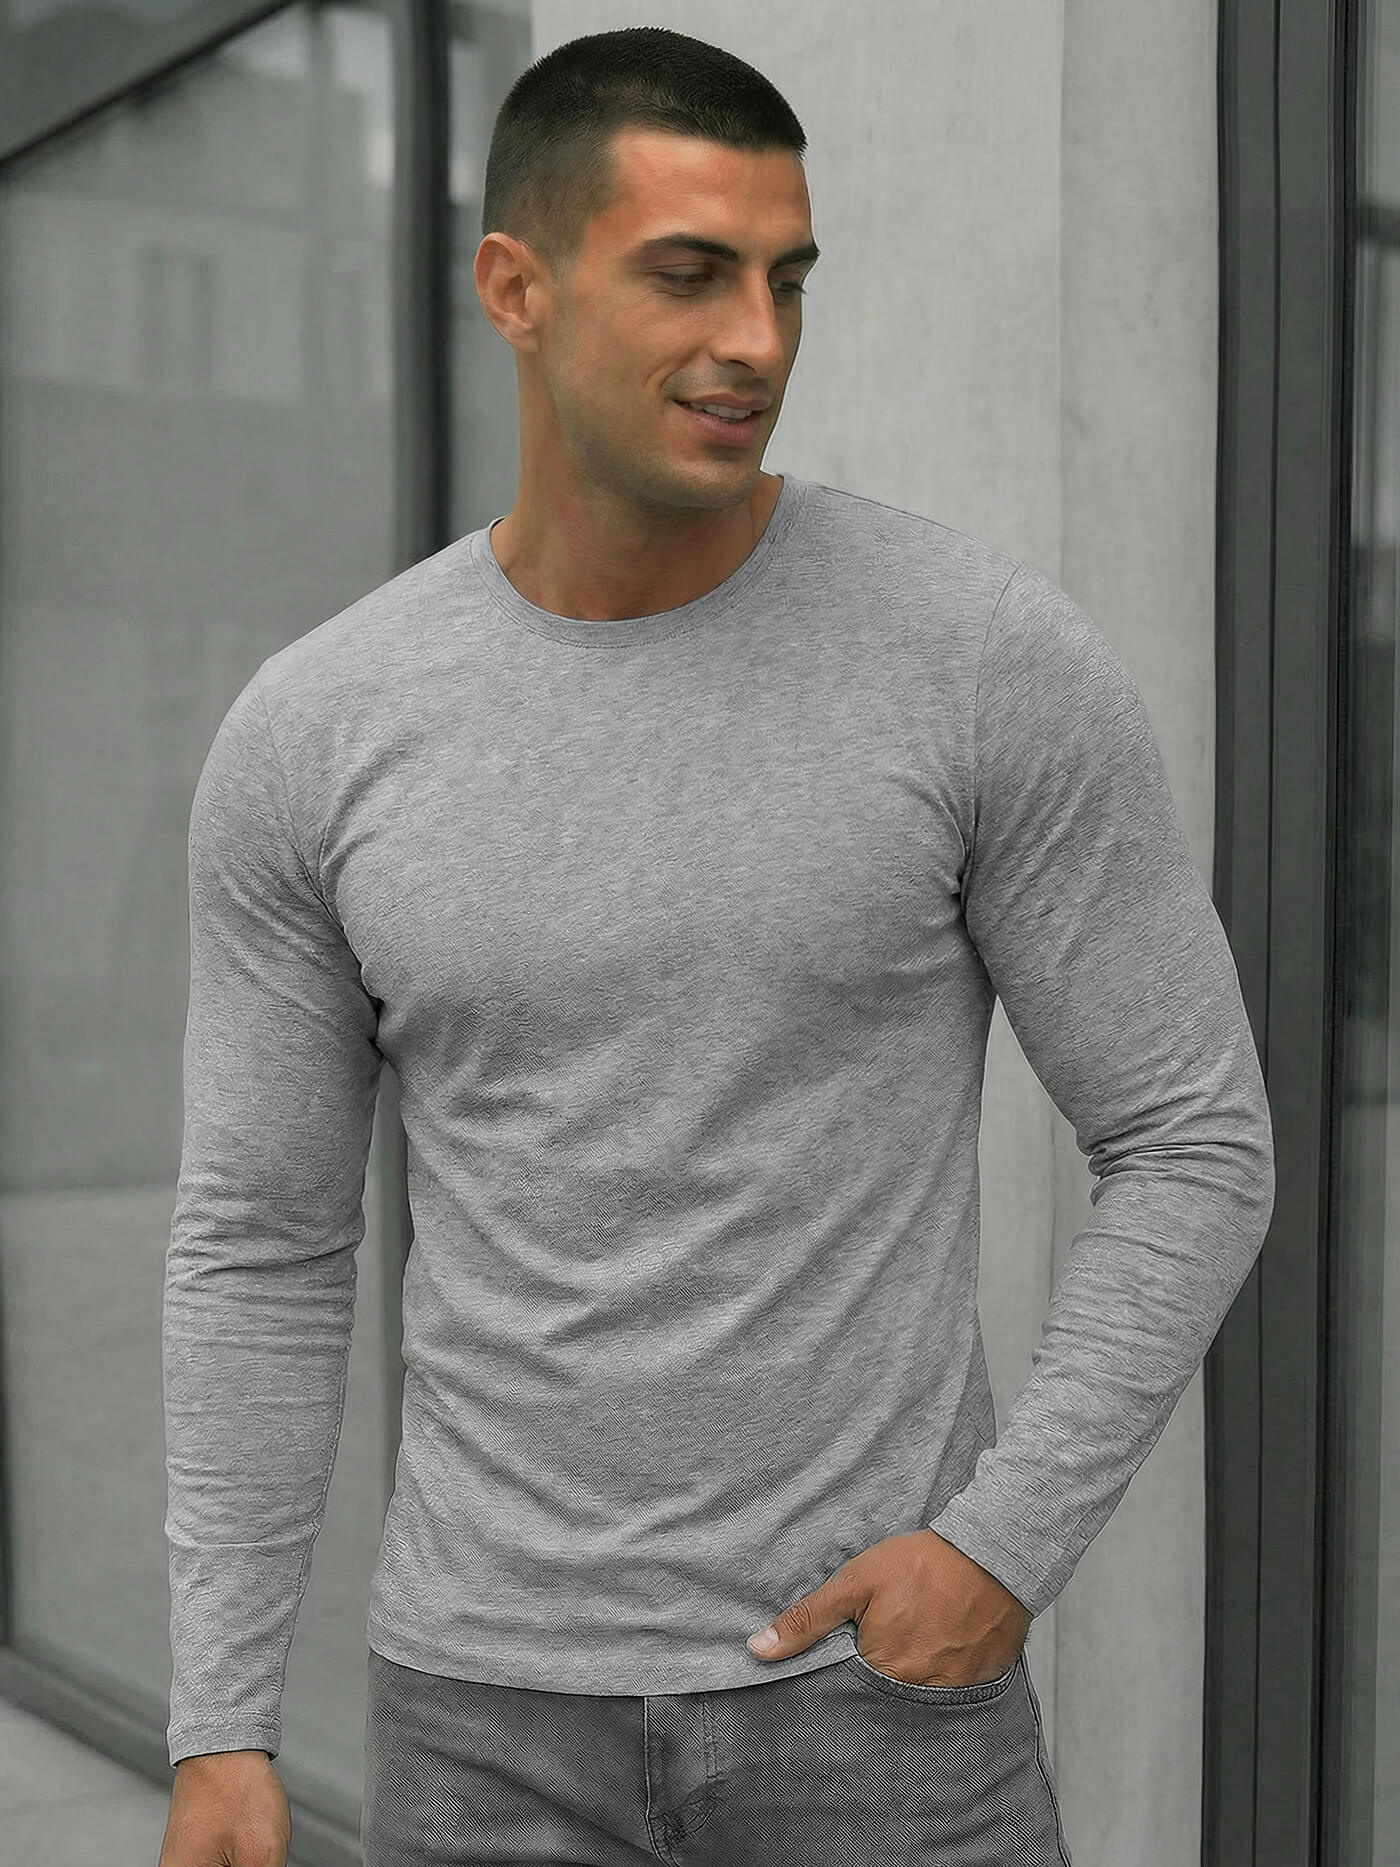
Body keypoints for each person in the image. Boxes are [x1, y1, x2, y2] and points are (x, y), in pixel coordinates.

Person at [157, 23, 1275, 1867]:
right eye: (689, 273)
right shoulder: (321, 730)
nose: (757, 337)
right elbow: (262, 1247)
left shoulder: (979, 660)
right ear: (516, 288)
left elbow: (1193, 1136)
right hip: (480, 1723)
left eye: (788, 278)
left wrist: (1000, 1548)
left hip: (877, 1716)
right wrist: (221, 1720)